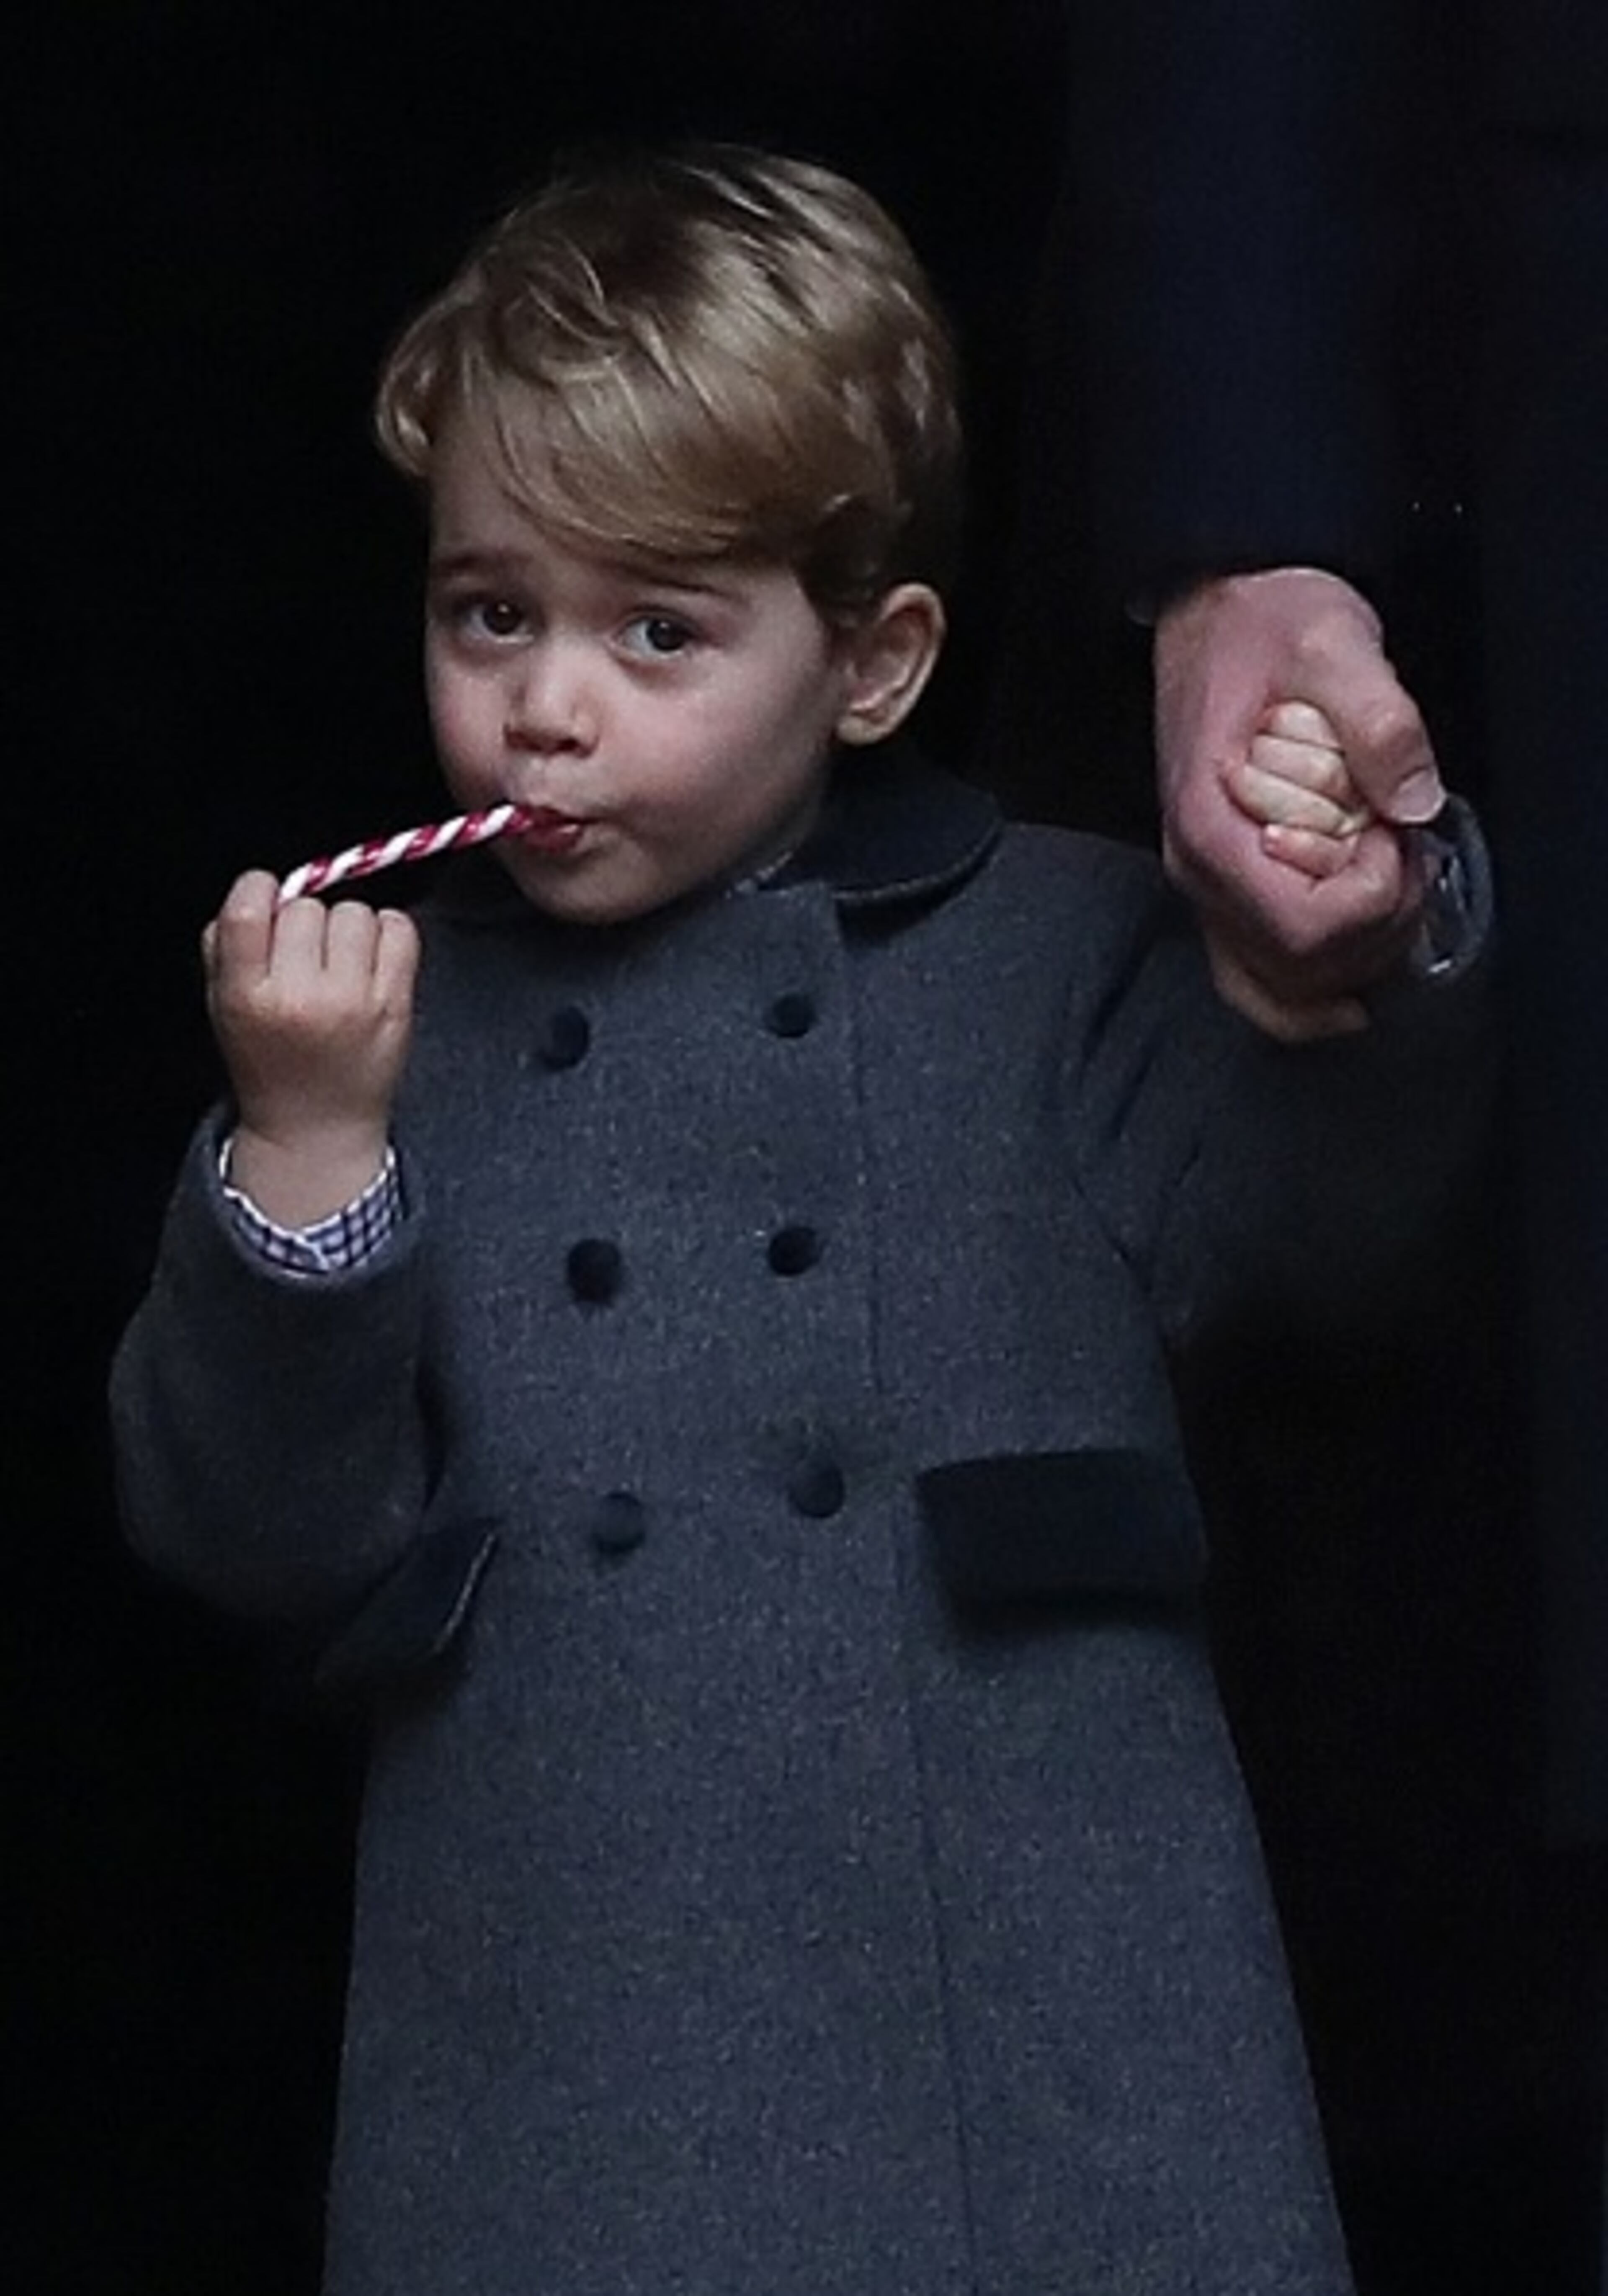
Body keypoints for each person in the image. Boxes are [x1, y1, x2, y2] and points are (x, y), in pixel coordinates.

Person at [110, 144, 1489, 2296]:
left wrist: (1373, 929)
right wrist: (297, 1163)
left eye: (659, 627)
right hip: (566, 2042)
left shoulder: (1060, 952)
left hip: (1048, 2029)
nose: (549, 704)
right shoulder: (384, 1021)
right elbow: (257, 1538)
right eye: (494, 612)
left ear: (874, 662)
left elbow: (1344, 1252)